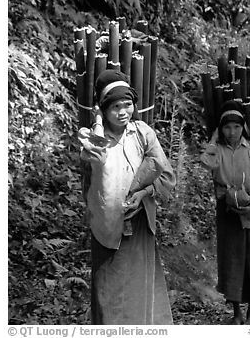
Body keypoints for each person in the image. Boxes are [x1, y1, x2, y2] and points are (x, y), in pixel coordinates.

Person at [78, 70, 176, 325]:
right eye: (115, 107)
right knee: (108, 293)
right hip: (107, 227)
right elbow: (90, 179)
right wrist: (97, 123)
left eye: (128, 105)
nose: (123, 112)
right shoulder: (92, 139)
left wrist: (143, 192)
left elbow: (166, 176)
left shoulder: (142, 133)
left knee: (138, 289)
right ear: (103, 109)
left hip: (140, 224)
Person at [200, 100, 250, 325]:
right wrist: (212, 142)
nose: (232, 132)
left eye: (237, 127)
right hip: (228, 212)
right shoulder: (217, 150)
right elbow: (206, 164)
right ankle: (237, 314)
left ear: (244, 127)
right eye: (227, 127)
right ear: (220, 128)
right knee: (232, 262)